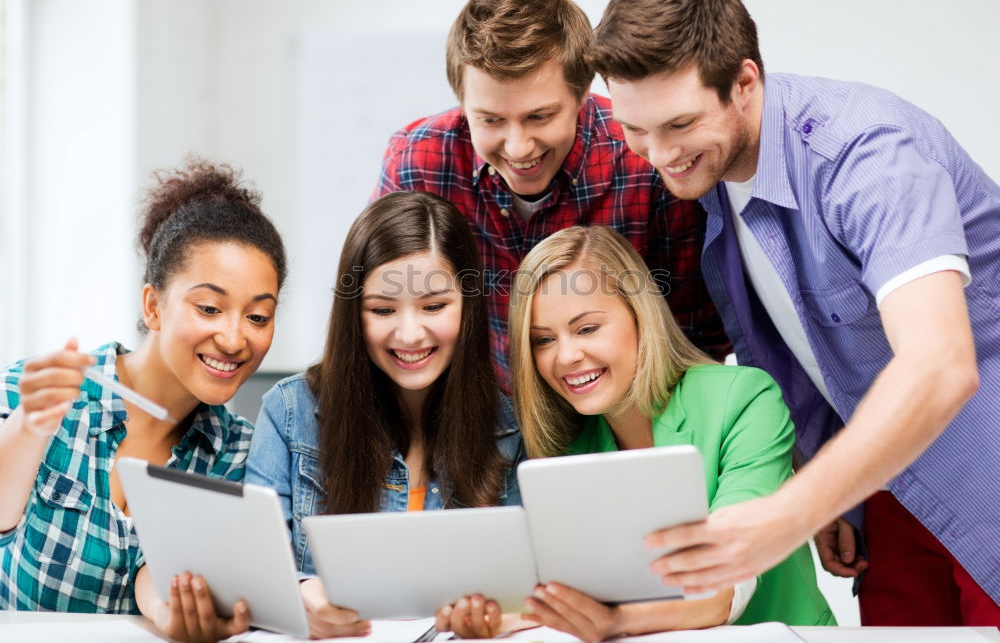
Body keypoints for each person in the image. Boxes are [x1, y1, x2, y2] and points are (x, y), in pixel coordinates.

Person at [588, 0, 1000, 624]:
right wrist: (834, 489)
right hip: (894, 489)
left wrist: (789, 511)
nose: (657, 155)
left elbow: (940, 364)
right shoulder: (715, 175)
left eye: (679, 124)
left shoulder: (865, 157)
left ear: (745, 82)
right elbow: (818, 352)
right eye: (635, 130)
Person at [375, 0, 730, 392]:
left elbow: (696, 335)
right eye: (490, 120)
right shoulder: (416, 163)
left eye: (540, 116)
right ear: (463, 105)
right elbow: (389, 313)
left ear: (582, 96)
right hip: (474, 418)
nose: (518, 145)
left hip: (623, 416)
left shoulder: (648, 162)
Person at [0, 159, 288, 641]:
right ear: (153, 306)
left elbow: (161, 568)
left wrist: (166, 609)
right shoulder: (38, 395)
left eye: (258, 316)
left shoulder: (239, 452)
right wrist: (30, 425)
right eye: (209, 308)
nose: (235, 339)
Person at [504, 225, 833, 639]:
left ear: (639, 315)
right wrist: (494, 618)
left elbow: (727, 578)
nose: (566, 356)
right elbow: (567, 595)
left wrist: (615, 621)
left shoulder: (744, 399)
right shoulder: (569, 445)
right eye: (543, 340)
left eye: (587, 329)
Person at [245, 191, 524, 639]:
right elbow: (253, 571)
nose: (410, 334)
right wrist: (301, 596)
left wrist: (499, 616)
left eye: (434, 306)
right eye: (382, 310)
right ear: (353, 313)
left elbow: (529, 595)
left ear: (469, 306)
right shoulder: (290, 411)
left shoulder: (509, 429)